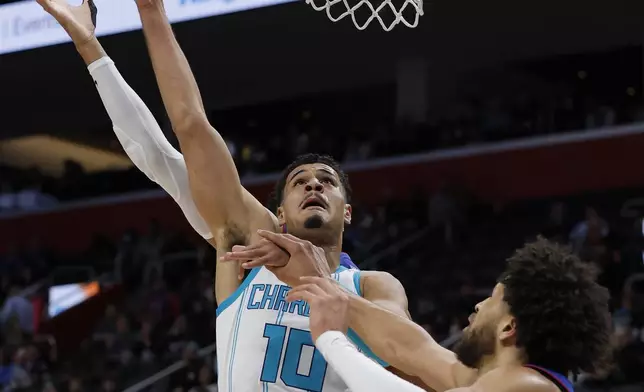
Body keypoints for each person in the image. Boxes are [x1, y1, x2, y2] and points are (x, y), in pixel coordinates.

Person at [35, 1, 415, 391]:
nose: (314, 185)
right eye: (300, 180)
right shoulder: (247, 250)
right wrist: (141, 17)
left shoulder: (373, 285)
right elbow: (186, 129)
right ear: (279, 213)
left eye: (327, 181)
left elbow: (407, 350)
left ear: (348, 212)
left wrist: (321, 283)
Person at [244, 235, 611, 392]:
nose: (478, 306)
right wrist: (323, 283)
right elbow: (413, 349)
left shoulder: (530, 386)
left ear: (509, 327)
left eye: (492, 300)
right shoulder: (483, 380)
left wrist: (332, 340)